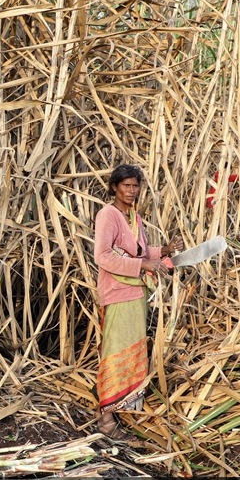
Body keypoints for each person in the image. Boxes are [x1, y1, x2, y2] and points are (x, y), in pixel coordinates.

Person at [92, 164, 180, 440]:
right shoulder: (109, 214)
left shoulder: (134, 217)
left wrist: (163, 252)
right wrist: (144, 266)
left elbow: (140, 252)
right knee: (115, 351)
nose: (131, 191)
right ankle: (106, 419)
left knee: (131, 350)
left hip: (135, 293)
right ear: (115, 187)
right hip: (118, 292)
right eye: (126, 186)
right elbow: (103, 256)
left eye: (135, 186)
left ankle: (122, 409)